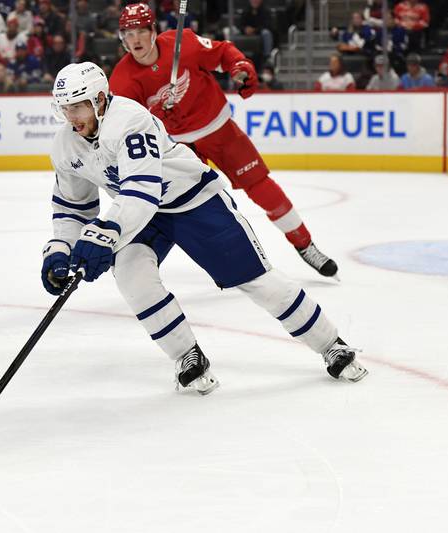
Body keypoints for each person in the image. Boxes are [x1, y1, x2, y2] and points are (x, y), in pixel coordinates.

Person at [43, 62, 368, 394]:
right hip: (140, 213)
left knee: (257, 281)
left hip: (193, 202)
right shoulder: (65, 145)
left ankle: (331, 344)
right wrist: (60, 250)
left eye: (78, 106)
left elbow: (142, 192)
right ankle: (187, 355)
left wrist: (105, 233)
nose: (72, 116)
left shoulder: (129, 120)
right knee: (131, 275)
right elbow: (73, 208)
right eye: (65, 107)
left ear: (99, 100)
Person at [109, 3, 339, 278]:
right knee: (184, 208)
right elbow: (129, 124)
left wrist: (240, 69)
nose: (135, 39)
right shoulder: (122, 80)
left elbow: (223, 53)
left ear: (153, 31)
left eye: (140, 31)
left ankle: (304, 244)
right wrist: (157, 112)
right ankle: (144, 266)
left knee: (260, 185)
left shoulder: (184, 44)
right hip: (179, 148)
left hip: (219, 129)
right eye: (128, 33)